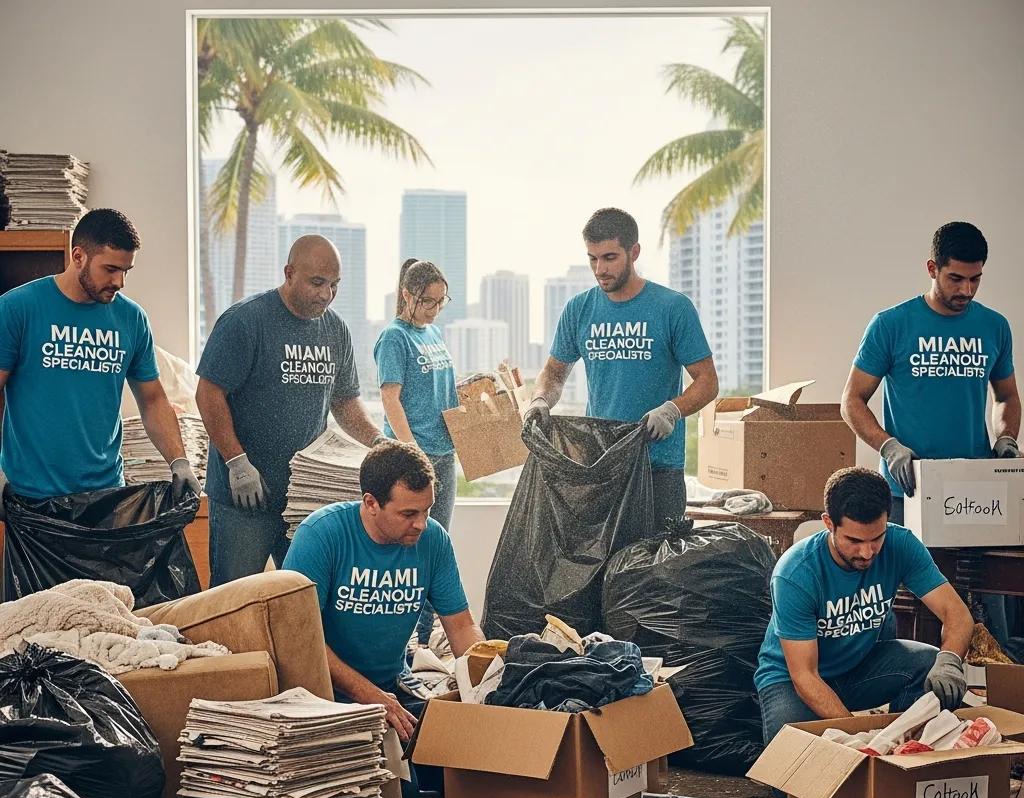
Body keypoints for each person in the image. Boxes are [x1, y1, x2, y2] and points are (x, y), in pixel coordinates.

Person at [841, 221, 1020, 646]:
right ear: (932, 268)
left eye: (975, 279)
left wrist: (1006, 436)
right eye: (955, 278)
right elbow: (851, 401)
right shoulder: (892, 324)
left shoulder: (994, 327)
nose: (966, 290)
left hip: (976, 496)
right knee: (911, 612)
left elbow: (1007, 396)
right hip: (910, 493)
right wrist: (889, 446)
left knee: (986, 614)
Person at [197, 234, 384, 586]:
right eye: (317, 283)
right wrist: (237, 462)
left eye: (334, 285)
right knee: (233, 602)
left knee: (304, 602)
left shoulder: (335, 330)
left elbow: (344, 401)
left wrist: (377, 441)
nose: (326, 294)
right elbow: (208, 393)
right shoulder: (247, 321)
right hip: (244, 500)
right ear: (289, 272)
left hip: (302, 499)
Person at [524, 207, 719, 523]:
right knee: (601, 567)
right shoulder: (579, 310)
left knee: (656, 568)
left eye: (610, 257)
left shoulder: (673, 308)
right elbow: (554, 372)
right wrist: (540, 400)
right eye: (592, 258)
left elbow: (708, 381)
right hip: (601, 465)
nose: (600, 268)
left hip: (658, 467)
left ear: (634, 252)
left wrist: (671, 410)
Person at [755, 467, 974, 748]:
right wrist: (859, 737)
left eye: (876, 538)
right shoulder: (796, 572)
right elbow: (804, 677)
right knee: (789, 778)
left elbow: (957, 614)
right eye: (855, 541)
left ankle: (902, 747)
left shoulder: (901, 544)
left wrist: (950, 661)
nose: (867, 552)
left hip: (858, 670)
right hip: (793, 681)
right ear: (828, 523)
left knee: (931, 662)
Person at [283, 440, 485, 742]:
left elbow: (461, 626)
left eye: (427, 510)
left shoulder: (433, 539)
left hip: (392, 684)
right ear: (371, 503)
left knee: (453, 755)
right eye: (408, 514)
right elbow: (298, 640)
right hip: (324, 689)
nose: (421, 524)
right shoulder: (320, 535)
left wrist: (488, 681)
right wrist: (369, 695)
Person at [0, 208, 200, 514]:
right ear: (78, 256)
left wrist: (179, 460)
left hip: (106, 497)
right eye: (110, 269)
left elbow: (153, 400)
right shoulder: (18, 309)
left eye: (126, 271)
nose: (119, 281)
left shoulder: (131, 319)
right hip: (33, 500)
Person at [374, 258, 459, 648]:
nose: (435, 309)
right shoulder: (395, 337)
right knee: (409, 546)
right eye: (428, 302)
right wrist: (412, 451)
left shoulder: (433, 333)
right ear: (407, 295)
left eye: (442, 302)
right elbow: (390, 397)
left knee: (435, 545)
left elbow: (443, 393)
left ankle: (424, 638)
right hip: (415, 460)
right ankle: (406, 639)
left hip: (444, 454)